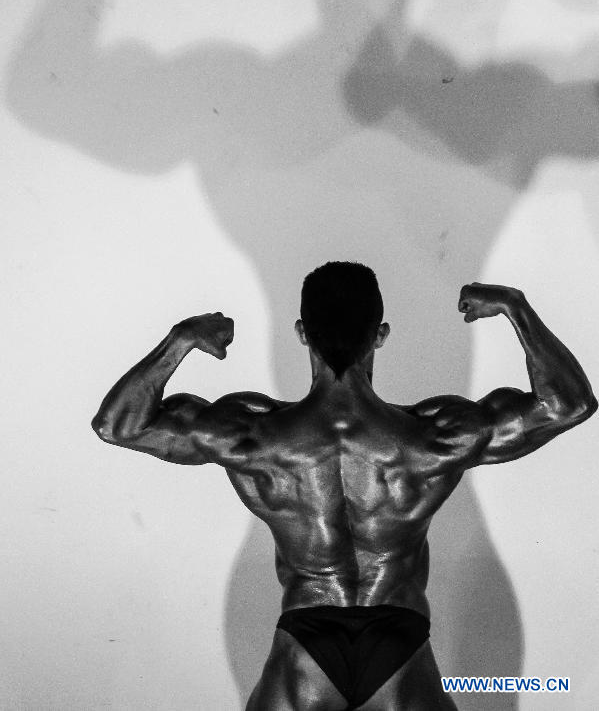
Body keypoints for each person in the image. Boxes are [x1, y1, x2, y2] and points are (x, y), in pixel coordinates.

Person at [92, 262, 596, 710]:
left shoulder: (253, 434)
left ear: (301, 333)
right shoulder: (432, 436)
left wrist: (182, 339)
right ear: (380, 334)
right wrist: (515, 306)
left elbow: (119, 425)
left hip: (304, 647)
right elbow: (567, 405)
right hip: (399, 647)